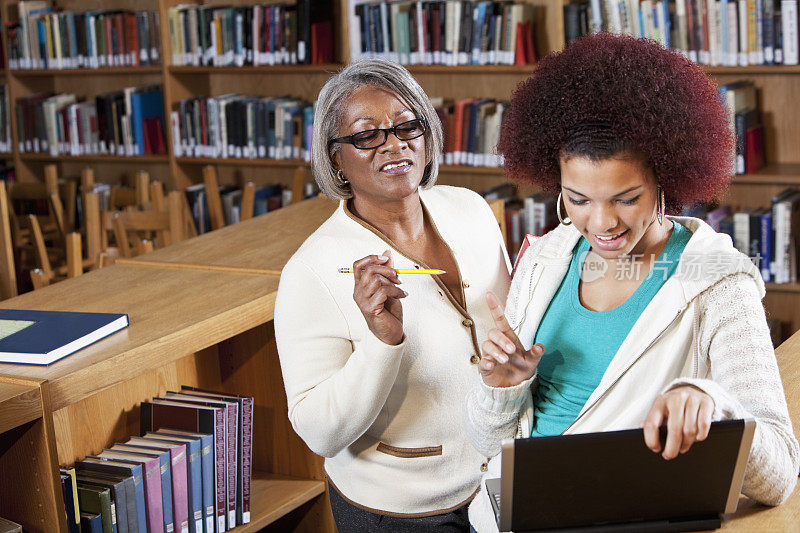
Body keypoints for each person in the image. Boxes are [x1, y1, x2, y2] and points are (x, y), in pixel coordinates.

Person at [464, 33, 799, 532]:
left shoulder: (716, 282)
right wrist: (505, 387)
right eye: (578, 199)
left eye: (625, 197)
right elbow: (492, 447)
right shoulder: (545, 260)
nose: (601, 223)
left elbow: (780, 476)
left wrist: (713, 403)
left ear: (666, 178)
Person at [274, 58, 511, 532]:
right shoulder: (311, 271)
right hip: (403, 512)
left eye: (407, 125)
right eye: (367, 135)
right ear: (335, 156)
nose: (395, 144)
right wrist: (381, 342)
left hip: (498, 483)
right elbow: (319, 432)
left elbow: (512, 325)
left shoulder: (470, 209)